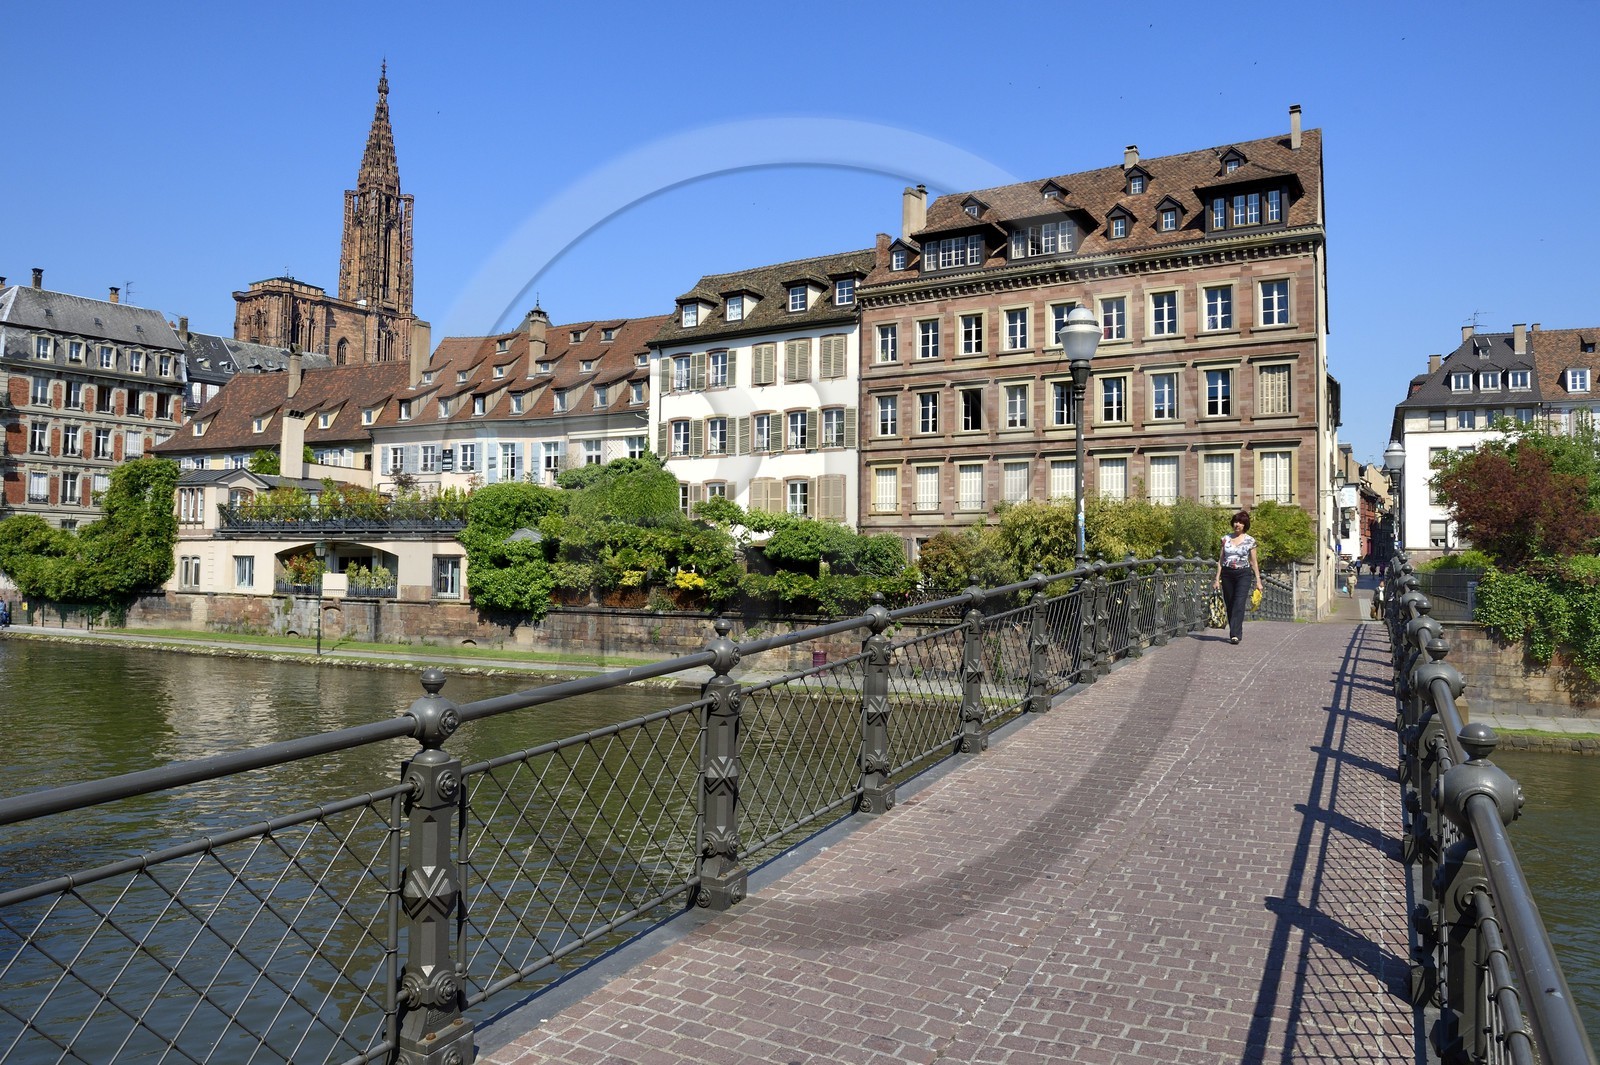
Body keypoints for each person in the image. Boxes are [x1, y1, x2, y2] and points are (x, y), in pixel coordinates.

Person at [1213, 510, 1262, 646]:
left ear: (1245, 525)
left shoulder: (1250, 541)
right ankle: (1233, 630)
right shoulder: (1225, 539)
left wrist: (1258, 580)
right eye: (1235, 521)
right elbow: (1221, 560)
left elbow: (1253, 561)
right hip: (1227, 573)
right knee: (1230, 602)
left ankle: (1235, 634)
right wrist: (1217, 579)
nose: (1237, 524)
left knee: (1239, 602)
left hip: (1243, 574)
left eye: (1240, 522)